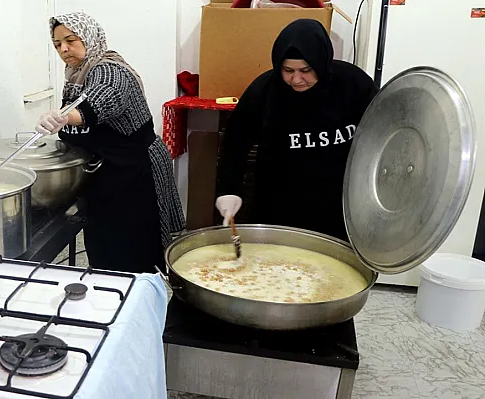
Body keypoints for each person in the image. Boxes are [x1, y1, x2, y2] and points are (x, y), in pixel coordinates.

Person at [35, 12, 186, 273]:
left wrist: (62, 117)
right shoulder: (76, 73)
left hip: (137, 172)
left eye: (70, 40)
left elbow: (97, 104)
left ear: (89, 37)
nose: (64, 49)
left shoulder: (109, 70)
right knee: (106, 251)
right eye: (57, 44)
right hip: (110, 171)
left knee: (133, 253)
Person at [215, 19, 378, 241]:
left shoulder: (353, 84)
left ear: (321, 62)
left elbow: (383, 132)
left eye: (306, 70)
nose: (297, 79)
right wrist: (228, 189)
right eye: (288, 70)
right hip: (280, 204)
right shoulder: (264, 91)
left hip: (340, 204)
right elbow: (235, 142)